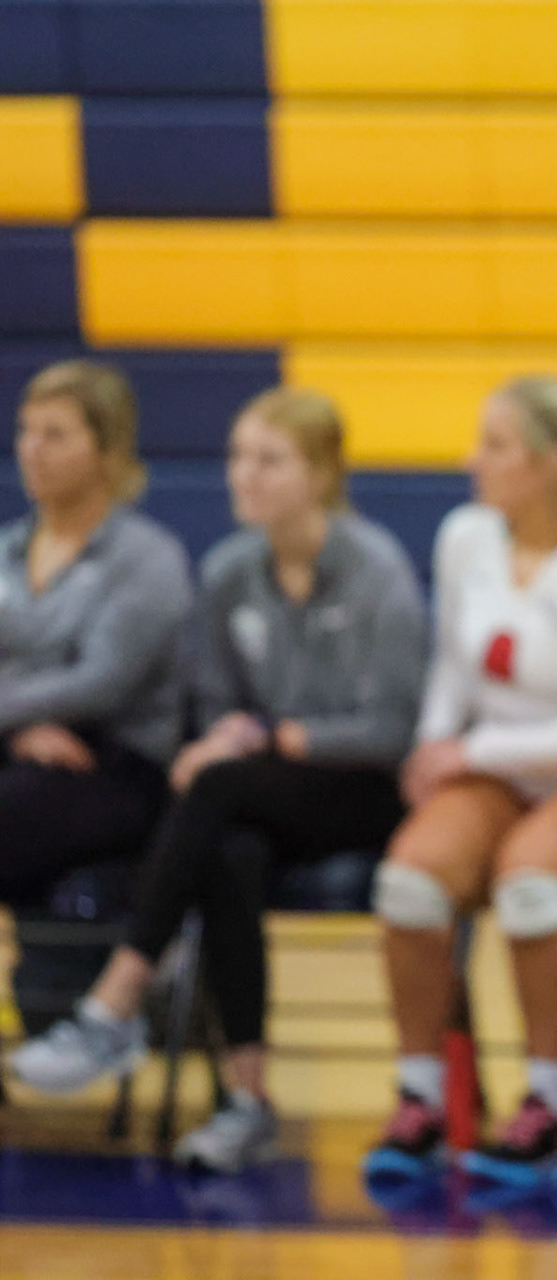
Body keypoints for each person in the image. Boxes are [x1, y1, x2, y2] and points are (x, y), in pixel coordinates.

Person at [8, 388, 426, 1172]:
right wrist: (234, 734)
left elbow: (391, 729)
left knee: (217, 790)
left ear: (322, 473)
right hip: (263, 789)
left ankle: (117, 1000)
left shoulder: (375, 570)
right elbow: (217, 703)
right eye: (237, 456)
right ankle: (248, 1102)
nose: (243, 474)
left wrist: (274, 737)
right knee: (227, 849)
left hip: (362, 790)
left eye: (268, 460)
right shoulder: (233, 571)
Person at [363, 377, 557, 1180]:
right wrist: (434, 751)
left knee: (531, 879)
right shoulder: (467, 536)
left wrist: (470, 755)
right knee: (409, 881)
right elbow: (452, 674)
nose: (473, 461)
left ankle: (547, 1100)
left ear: (551, 464)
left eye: (494, 446)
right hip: (501, 767)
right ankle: (421, 1097)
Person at [0, 360, 190, 905]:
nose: (32, 449)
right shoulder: (10, 548)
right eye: (25, 430)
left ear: (106, 450)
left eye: (54, 434)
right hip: (19, 746)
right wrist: (19, 731)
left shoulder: (146, 558)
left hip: (113, 766)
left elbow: (100, 682)